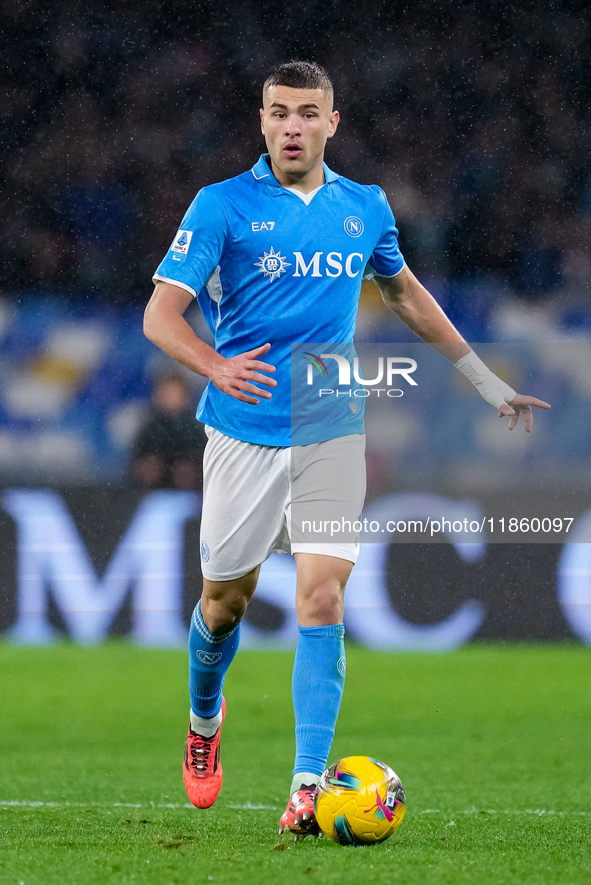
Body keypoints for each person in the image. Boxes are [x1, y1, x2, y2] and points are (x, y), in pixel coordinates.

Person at [143, 60, 550, 837]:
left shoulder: (363, 207)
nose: (291, 125)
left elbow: (404, 294)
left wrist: (484, 379)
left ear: (333, 122)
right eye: (277, 112)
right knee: (222, 606)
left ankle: (305, 786)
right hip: (243, 427)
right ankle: (203, 720)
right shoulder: (221, 205)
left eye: (306, 113)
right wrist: (216, 364)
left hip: (332, 414)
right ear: (260, 121)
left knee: (322, 594)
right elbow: (161, 317)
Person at [130, 372, 206, 491]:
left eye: (176, 394)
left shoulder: (194, 430)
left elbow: (200, 466)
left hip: (191, 495)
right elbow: (138, 464)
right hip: (151, 493)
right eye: (168, 394)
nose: (172, 400)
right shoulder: (149, 428)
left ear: (186, 397)